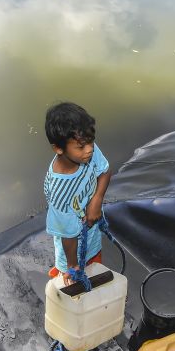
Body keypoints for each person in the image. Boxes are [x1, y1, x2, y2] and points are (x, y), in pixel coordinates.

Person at [44, 102, 111, 285]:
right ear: (58, 148)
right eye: (81, 146)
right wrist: (73, 266)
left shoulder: (86, 147)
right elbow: (68, 235)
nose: (89, 149)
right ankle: (62, 272)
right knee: (71, 280)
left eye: (91, 142)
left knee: (94, 267)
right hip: (72, 247)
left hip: (92, 233)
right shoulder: (59, 191)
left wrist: (96, 200)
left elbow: (104, 172)